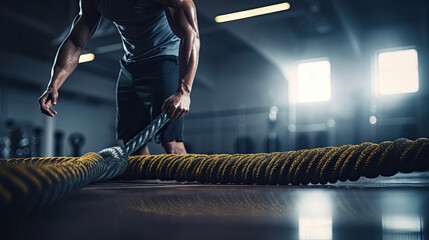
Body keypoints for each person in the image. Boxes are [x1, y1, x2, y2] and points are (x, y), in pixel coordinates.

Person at [38, 0, 200, 155]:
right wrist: (53, 84)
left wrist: (184, 91)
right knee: (132, 145)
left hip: (164, 59)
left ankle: (187, 183)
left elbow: (191, 34)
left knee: (171, 144)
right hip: (130, 65)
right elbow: (75, 42)